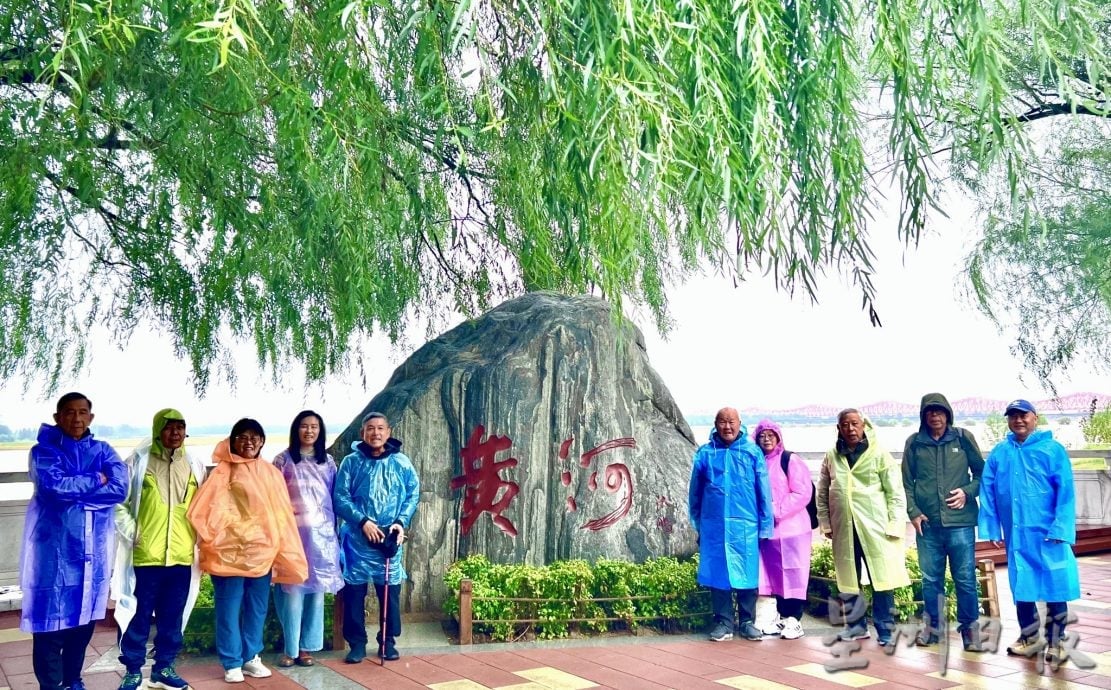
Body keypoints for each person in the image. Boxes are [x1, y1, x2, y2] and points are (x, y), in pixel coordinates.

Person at [19, 392, 128, 690]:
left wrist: (77, 492)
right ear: (57, 417)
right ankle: (51, 685)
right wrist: (96, 480)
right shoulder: (44, 452)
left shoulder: (103, 450)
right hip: (53, 553)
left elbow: (120, 489)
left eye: (83, 412)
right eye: (69, 412)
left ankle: (73, 680)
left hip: (93, 554)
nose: (76, 419)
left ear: (91, 417)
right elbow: (53, 487)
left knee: (82, 624)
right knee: (50, 626)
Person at [186, 419, 308, 683]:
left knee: (257, 608)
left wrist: (280, 546)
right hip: (227, 555)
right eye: (242, 437)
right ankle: (231, 662)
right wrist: (222, 539)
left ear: (262, 441)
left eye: (254, 437)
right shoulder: (222, 472)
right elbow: (206, 512)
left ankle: (251, 657)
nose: (249, 442)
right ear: (232, 441)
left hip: (261, 554)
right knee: (228, 609)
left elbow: (281, 514)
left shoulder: (270, 472)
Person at [111, 409, 207, 690]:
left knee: (172, 618)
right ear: (157, 430)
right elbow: (118, 503)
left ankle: (164, 668)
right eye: (169, 428)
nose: (175, 433)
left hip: (181, 556)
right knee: (137, 616)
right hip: (145, 556)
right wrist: (132, 532)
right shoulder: (138, 462)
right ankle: (132, 670)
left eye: (180, 428)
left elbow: (204, 505)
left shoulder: (194, 463)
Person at [979, 399, 1079, 666]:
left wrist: (1061, 527)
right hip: (1017, 535)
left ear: (1035, 418)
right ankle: (1029, 637)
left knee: (1055, 587)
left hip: (1048, 534)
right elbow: (987, 490)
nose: (1018, 420)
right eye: (1013, 416)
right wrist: (991, 526)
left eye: (1023, 415)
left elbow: (1066, 492)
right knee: (1022, 585)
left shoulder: (1052, 450)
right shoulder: (1001, 453)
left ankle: (1057, 642)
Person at [817, 409, 910, 647]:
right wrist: (826, 522)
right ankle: (856, 627)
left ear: (863, 425)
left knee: (883, 578)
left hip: (876, 527)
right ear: (838, 429)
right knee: (848, 578)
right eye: (845, 425)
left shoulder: (879, 453)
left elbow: (895, 492)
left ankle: (885, 630)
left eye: (855, 424)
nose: (850, 429)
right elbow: (823, 492)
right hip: (844, 527)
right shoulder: (831, 456)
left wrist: (896, 524)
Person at [333, 412, 420, 663]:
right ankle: (356, 643)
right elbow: (340, 498)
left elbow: (412, 494)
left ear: (388, 432)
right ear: (363, 433)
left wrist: (400, 522)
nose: (375, 433)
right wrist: (363, 521)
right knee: (354, 594)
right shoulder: (351, 462)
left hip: (389, 538)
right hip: (358, 539)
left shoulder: (401, 462)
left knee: (388, 594)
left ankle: (387, 641)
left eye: (380, 428)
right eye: (370, 428)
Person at [901, 393, 985, 652]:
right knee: (930, 580)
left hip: (960, 523)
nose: (935, 416)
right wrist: (913, 512)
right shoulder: (915, 443)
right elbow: (906, 481)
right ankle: (933, 629)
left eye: (939, 411)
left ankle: (970, 631)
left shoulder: (962, 437)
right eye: (930, 412)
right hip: (928, 525)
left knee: (965, 578)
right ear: (923, 416)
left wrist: (967, 492)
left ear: (948, 414)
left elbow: (981, 473)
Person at [688, 407, 773, 642]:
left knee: (747, 573)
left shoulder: (751, 452)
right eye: (722, 422)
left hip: (745, 526)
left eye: (731, 422)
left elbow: (764, 491)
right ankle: (723, 622)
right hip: (714, 526)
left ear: (739, 424)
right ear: (715, 424)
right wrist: (698, 522)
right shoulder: (706, 453)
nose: (727, 427)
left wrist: (766, 525)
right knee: (718, 573)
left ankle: (747, 622)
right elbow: (695, 493)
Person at [272, 411, 344, 668]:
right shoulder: (282, 460)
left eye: (314, 426)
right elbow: (273, 499)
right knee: (291, 592)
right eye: (304, 426)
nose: (309, 431)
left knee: (315, 592)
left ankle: (306, 648)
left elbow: (336, 498)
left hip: (321, 537)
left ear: (320, 431)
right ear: (296, 429)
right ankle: (289, 649)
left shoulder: (329, 462)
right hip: (291, 537)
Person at [753, 420, 812, 640]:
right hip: (769, 533)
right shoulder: (757, 462)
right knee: (775, 575)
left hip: (792, 530)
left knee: (795, 573)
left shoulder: (790, 460)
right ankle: (782, 618)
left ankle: (794, 619)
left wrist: (776, 511)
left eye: (771, 435)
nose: (766, 439)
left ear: (778, 437)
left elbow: (802, 493)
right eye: (762, 435)